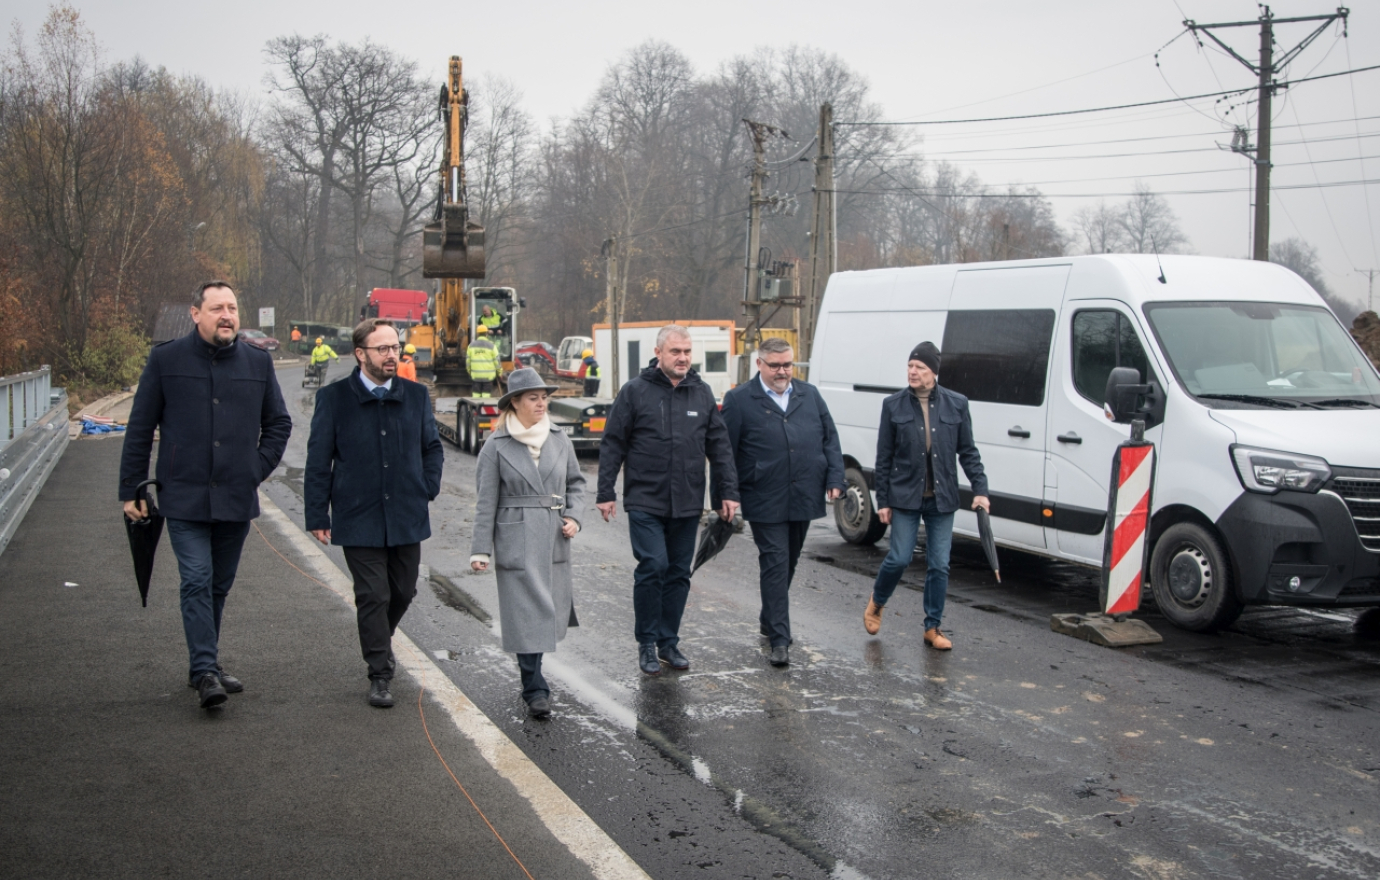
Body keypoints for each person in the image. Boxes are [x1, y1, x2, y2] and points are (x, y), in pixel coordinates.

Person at [119, 280, 293, 710]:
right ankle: (205, 672)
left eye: (232, 308)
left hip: (235, 497)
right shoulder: (166, 359)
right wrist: (131, 489)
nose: (227, 316)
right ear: (196, 313)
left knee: (218, 585)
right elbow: (140, 427)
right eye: (217, 308)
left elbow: (278, 423)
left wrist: (254, 469)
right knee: (196, 578)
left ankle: (205, 663)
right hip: (183, 495)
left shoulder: (257, 362)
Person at [304, 318, 444, 708]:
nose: (391, 355)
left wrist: (427, 487)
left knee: (403, 590)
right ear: (360, 354)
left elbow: (432, 448)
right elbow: (319, 461)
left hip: (406, 513)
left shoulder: (415, 396)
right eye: (382, 349)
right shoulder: (333, 398)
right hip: (357, 514)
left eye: (395, 347)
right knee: (372, 595)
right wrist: (317, 514)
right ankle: (380, 673)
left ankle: (379, 638)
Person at [597, 325, 739, 675]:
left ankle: (668, 642)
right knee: (653, 565)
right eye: (676, 351)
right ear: (658, 353)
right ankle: (646, 642)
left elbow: (720, 447)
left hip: (687, 500)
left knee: (678, 573)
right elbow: (613, 442)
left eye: (687, 352)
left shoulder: (701, 393)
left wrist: (727, 493)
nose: (683, 358)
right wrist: (605, 492)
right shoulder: (635, 391)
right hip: (645, 498)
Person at [721, 337, 845, 667]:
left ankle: (769, 617)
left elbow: (830, 438)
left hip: (804, 491)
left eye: (787, 364)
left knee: (788, 561)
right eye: (775, 365)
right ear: (759, 364)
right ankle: (779, 638)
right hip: (763, 494)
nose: (782, 371)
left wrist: (835, 478)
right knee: (775, 561)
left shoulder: (810, 395)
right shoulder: (739, 400)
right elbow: (725, 452)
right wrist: (725, 494)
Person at [469, 368, 586, 718]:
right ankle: (534, 687)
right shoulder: (496, 446)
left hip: (553, 536)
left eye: (544, 398)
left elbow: (577, 484)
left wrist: (574, 517)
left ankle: (534, 680)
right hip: (515, 537)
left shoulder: (559, 439)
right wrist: (480, 549)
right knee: (525, 614)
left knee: (547, 611)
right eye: (533, 398)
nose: (541, 403)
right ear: (515, 402)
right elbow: (485, 501)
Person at [866, 342, 990, 651]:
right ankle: (877, 602)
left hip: (942, 498)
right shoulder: (893, 405)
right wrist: (883, 501)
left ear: (933, 372)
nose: (912, 372)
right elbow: (884, 457)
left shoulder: (956, 404)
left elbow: (968, 452)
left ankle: (932, 627)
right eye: (910, 366)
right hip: (905, 496)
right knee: (900, 557)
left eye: (919, 367)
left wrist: (980, 490)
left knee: (939, 564)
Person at [467, 324, 499, 398]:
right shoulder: (492, 346)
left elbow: (468, 362)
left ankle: (476, 405)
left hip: (476, 376)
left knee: (476, 395)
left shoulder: (471, 346)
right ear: (486, 334)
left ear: (477, 334)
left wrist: (470, 372)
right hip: (488, 377)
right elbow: (497, 361)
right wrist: (499, 372)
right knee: (486, 396)